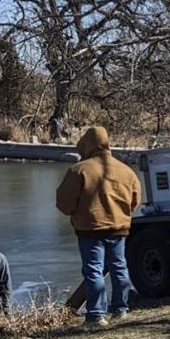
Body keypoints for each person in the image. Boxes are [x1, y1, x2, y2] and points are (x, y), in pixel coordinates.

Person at [55, 125, 142, 328]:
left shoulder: (79, 170)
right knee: (119, 268)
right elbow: (135, 200)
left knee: (93, 271)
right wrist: (122, 214)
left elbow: (63, 203)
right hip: (119, 229)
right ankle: (120, 310)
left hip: (89, 229)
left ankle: (95, 315)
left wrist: (76, 213)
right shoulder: (126, 171)